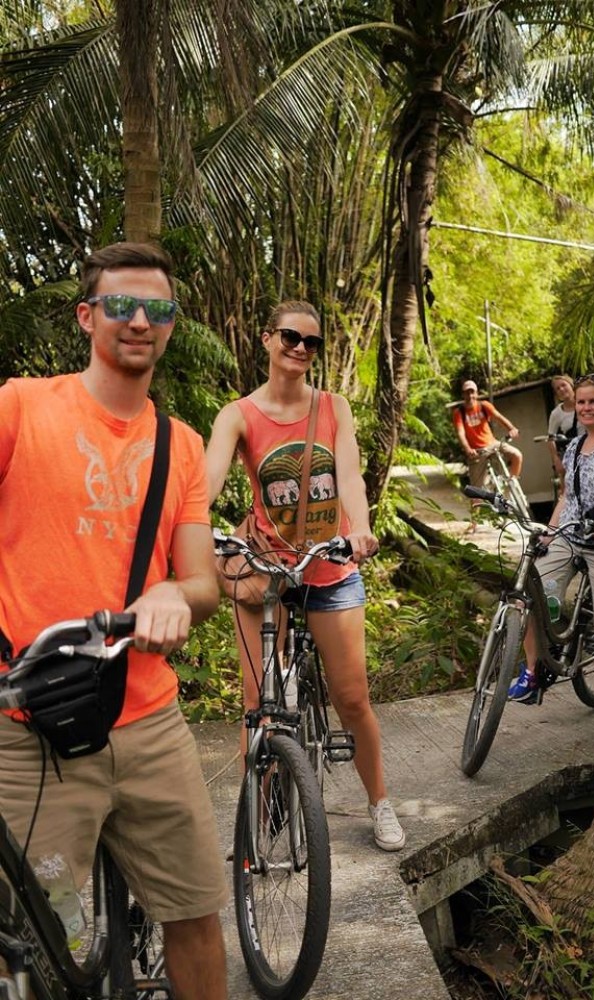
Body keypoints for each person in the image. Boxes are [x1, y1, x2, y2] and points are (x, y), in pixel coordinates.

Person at [0, 243, 228, 997]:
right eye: (121, 305)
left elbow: (201, 581)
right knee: (39, 937)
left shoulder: (183, 445)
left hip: (148, 722)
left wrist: (173, 595)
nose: (139, 320)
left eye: (157, 309)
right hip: (32, 727)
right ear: (85, 316)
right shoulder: (20, 408)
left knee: (196, 912)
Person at [205, 299, 405, 852]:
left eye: (310, 342)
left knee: (352, 697)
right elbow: (208, 480)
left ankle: (379, 801)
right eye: (289, 337)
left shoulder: (333, 406)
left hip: (330, 565)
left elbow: (350, 476)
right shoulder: (238, 415)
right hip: (267, 570)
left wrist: (360, 527)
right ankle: (255, 811)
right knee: (256, 702)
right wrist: (191, 525)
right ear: (267, 339)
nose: (298, 348)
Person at [507, 373, 594, 741]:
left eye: (593, 402)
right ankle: (533, 672)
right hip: (571, 536)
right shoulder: (574, 447)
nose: (586, 408)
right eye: (581, 403)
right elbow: (567, 497)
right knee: (531, 594)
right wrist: (549, 531)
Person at [452, 379, 523, 522]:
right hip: (477, 451)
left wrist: (512, 429)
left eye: (472, 392)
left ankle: (511, 485)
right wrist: (468, 449)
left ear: (477, 393)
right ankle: (474, 521)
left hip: (493, 444)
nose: (470, 396)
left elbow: (499, 418)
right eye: (467, 393)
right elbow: (460, 433)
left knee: (517, 455)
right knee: (475, 489)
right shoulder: (459, 412)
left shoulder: (484, 406)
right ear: (463, 395)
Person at [546, 374, 577, 487]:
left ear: (571, 385)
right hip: (570, 453)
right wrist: (556, 459)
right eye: (557, 388)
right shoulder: (556, 414)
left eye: (563, 385)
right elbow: (551, 438)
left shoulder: (584, 403)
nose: (562, 389)